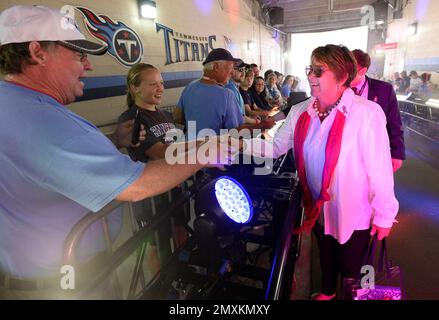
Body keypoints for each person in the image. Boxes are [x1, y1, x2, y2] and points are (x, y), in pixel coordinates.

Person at [0, 5, 234, 299]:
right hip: (64, 285)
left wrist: (113, 142)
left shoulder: (10, 104)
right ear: (37, 52)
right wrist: (207, 151)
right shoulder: (40, 119)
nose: (88, 66)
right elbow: (137, 186)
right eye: (79, 55)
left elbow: (41, 166)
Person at [242, 44, 398, 300]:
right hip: (318, 205)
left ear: (342, 76)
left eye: (318, 71)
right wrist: (238, 144)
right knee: (326, 252)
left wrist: (384, 214)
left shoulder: (366, 113)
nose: (310, 76)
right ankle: (327, 291)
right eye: (310, 69)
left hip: (355, 211)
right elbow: (275, 147)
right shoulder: (301, 111)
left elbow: (379, 169)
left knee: (352, 269)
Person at [351, 49, 405, 172]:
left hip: (375, 150)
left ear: (362, 70)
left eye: (349, 69)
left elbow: (394, 123)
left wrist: (397, 154)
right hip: (346, 151)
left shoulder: (384, 90)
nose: (344, 73)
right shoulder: (338, 87)